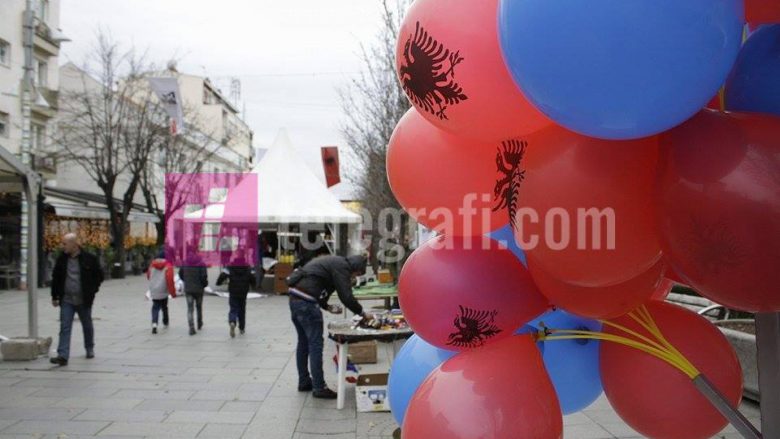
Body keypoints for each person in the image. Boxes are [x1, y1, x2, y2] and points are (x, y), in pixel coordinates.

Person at [287, 254, 371, 399]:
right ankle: (319, 387)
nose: (355, 277)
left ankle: (304, 381)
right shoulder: (342, 266)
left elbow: (316, 284)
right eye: (357, 274)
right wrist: (362, 313)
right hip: (307, 305)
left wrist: (326, 306)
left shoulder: (334, 262)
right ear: (355, 267)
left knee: (303, 342)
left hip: (295, 300)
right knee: (315, 344)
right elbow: (346, 296)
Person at [49, 233, 104, 366]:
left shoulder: (89, 259)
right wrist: (55, 296)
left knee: (87, 324)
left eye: (65, 244)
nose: (63, 246)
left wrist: (93, 290)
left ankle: (89, 347)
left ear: (74, 244)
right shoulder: (62, 259)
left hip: (83, 299)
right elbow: (56, 278)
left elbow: (99, 275)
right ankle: (63, 355)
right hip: (66, 299)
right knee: (65, 326)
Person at [179, 251, 208, 336]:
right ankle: (199, 323)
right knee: (199, 307)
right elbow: (204, 277)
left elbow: (180, 274)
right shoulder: (202, 264)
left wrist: (186, 281)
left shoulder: (185, 263)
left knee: (190, 309)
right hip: (199, 289)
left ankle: (191, 327)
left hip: (188, 289)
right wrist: (204, 284)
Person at [147, 250, 176, 334]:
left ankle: (154, 324)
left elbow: (148, 276)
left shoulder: (152, 265)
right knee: (164, 307)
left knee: (155, 307)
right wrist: (173, 293)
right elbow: (170, 280)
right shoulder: (168, 266)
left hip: (154, 290)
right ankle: (165, 322)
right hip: (163, 289)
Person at [227, 250, 254, 338]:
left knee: (233, 308)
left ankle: (232, 321)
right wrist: (254, 285)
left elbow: (222, 275)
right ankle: (241, 328)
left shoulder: (231, 266)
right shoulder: (247, 267)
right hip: (243, 292)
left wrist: (219, 282)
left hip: (233, 291)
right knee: (242, 310)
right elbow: (252, 278)